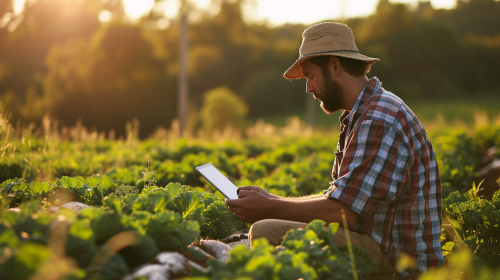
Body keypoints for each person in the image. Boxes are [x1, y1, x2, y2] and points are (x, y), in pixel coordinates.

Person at [225, 22, 444, 274]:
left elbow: (345, 212)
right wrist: (272, 200)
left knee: (266, 230)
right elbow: (343, 198)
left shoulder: (378, 120)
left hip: (400, 265)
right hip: (381, 245)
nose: (309, 88)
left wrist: (270, 208)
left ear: (334, 66)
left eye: (310, 76)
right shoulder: (366, 112)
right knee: (271, 224)